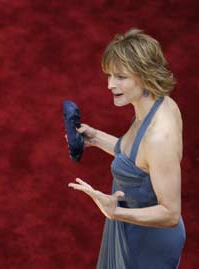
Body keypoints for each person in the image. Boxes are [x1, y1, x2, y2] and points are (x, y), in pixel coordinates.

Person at [68, 28, 185, 268]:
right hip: (133, 230)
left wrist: (116, 213)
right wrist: (96, 138)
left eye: (120, 77)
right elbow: (138, 160)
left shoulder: (159, 136)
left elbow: (170, 213)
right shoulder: (152, 105)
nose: (110, 84)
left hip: (148, 244)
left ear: (145, 74)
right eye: (109, 75)